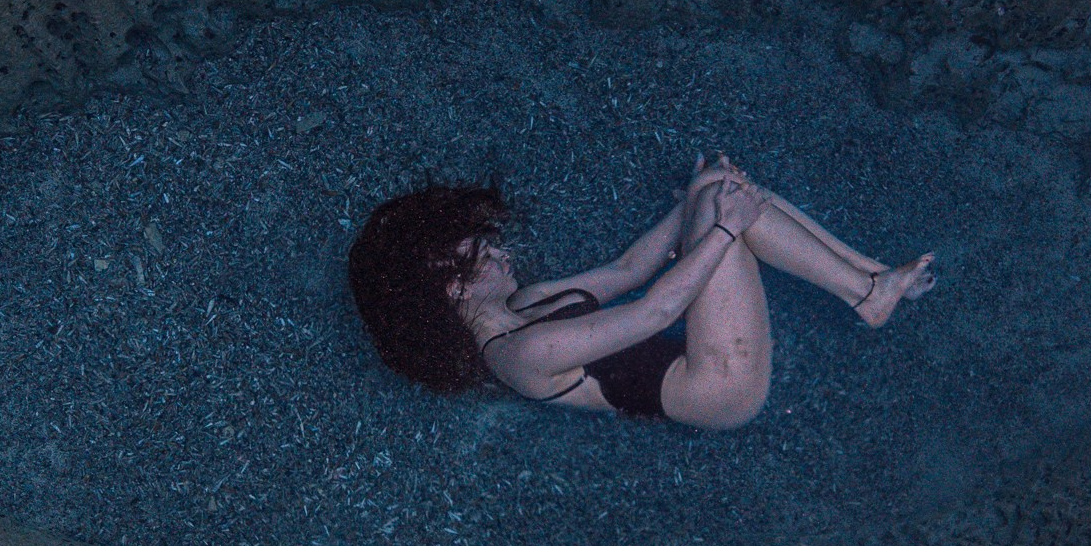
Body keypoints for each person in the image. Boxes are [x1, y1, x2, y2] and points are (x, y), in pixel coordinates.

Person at [347, 155, 935, 430]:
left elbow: (630, 269)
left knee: (718, 187)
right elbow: (655, 309)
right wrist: (721, 226)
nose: (500, 250)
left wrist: (692, 202)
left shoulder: (523, 305)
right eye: (481, 251)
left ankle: (875, 280)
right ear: (453, 287)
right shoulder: (517, 354)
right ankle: (870, 294)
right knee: (723, 205)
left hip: (695, 356)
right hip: (716, 387)